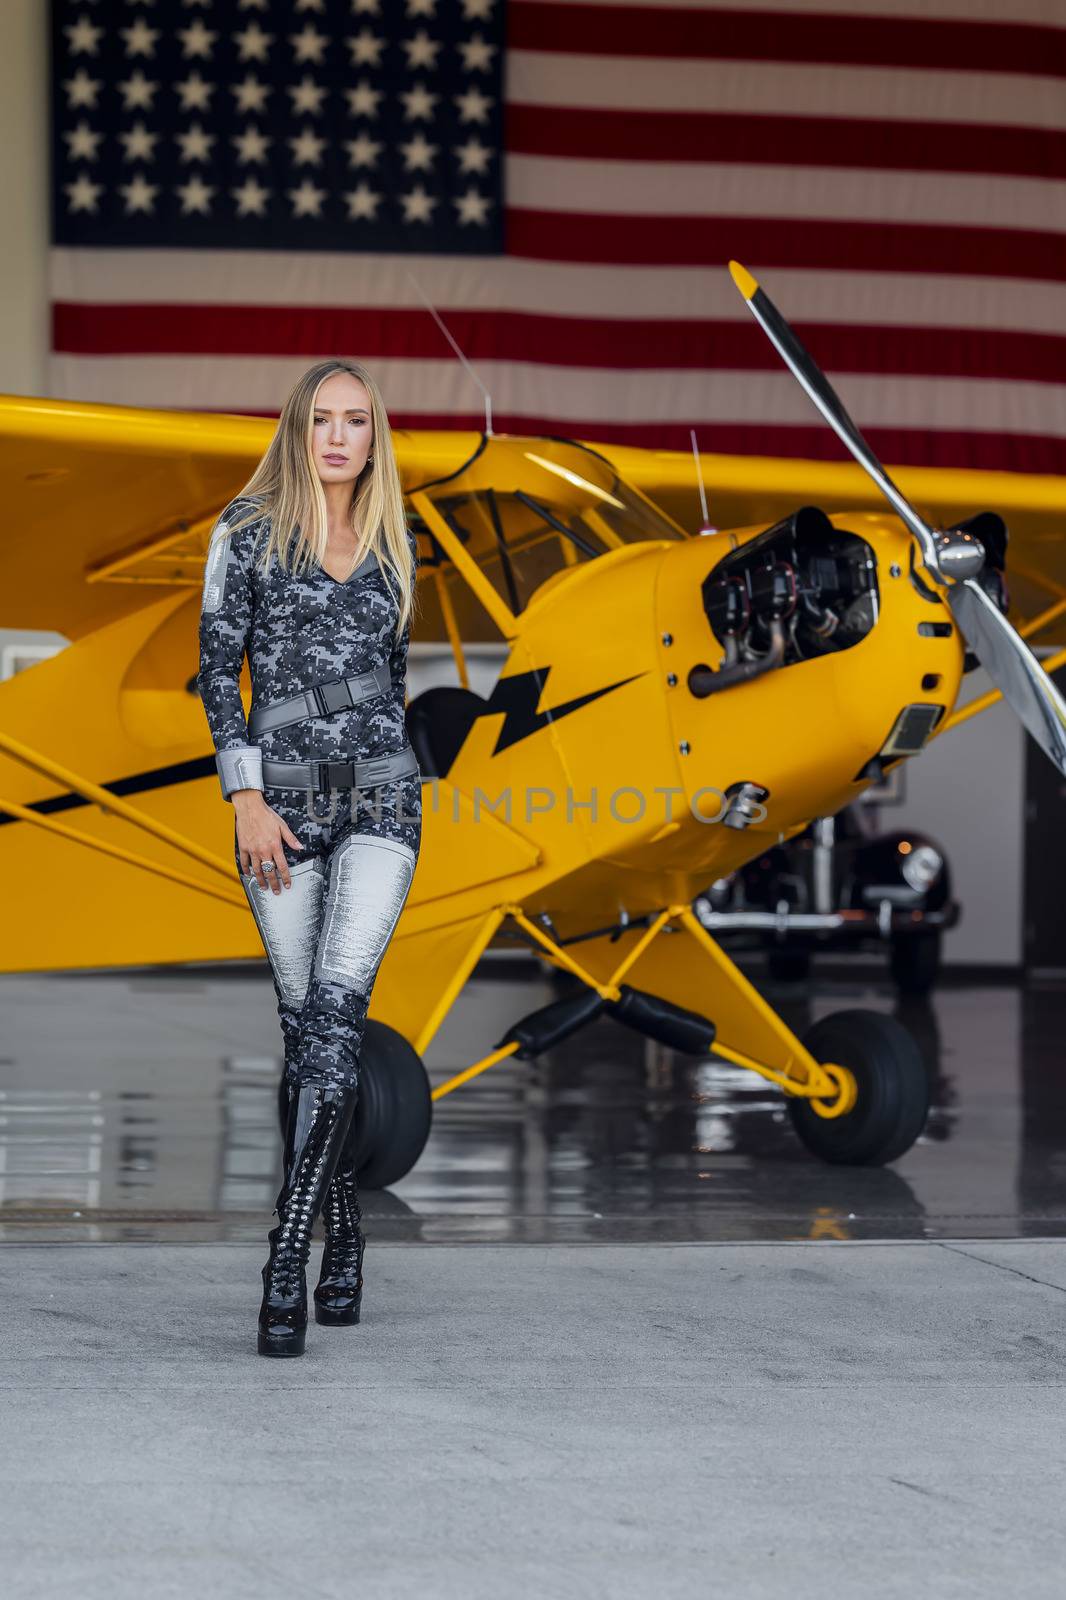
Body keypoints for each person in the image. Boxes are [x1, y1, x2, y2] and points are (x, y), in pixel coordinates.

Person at [197, 359, 422, 1357]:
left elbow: (395, 678)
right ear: (297, 429)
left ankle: (286, 1257)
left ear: (374, 437)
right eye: (322, 419)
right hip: (276, 807)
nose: (338, 436)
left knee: (335, 1023)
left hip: (382, 794)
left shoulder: (390, 543)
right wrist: (244, 795)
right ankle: (349, 1234)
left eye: (355, 421)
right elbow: (214, 669)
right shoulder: (242, 532)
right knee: (305, 1038)